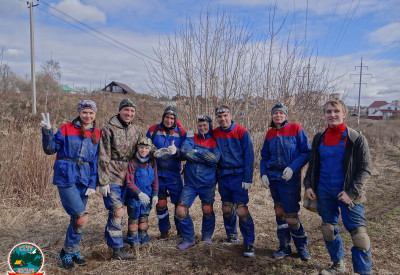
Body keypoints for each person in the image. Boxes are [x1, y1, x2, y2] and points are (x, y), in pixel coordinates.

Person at [304, 99, 372, 275]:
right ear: (324, 114)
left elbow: (365, 169)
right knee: (328, 229)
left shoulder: (356, 138)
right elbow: (313, 164)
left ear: (344, 114)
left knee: (360, 236)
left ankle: (364, 271)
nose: (332, 115)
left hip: (349, 193)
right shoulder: (319, 138)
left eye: (336, 111)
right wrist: (309, 185)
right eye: (328, 111)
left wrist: (351, 193)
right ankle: (337, 265)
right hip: (324, 190)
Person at [40, 100, 100, 270]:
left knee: (77, 219)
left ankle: (71, 251)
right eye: (85, 112)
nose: (88, 116)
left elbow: (95, 160)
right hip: (66, 176)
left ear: (95, 115)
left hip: (84, 178)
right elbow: (50, 149)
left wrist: (92, 182)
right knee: (81, 217)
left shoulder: (96, 133)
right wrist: (47, 131)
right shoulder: (66, 128)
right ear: (79, 113)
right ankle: (67, 252)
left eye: (91, 113)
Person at [260, 102, 312, 261]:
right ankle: (284, 246)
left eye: (281, 113)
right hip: (273, 179)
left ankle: (302, 246)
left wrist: (293, 168)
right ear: (272, 116)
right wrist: (263, 174)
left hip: (289, 179)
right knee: (279, 213)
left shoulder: (296, 128)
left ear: (286, 115)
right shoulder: (269, 133)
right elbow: (265, 157)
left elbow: (306, 152)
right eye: (275, 113)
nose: (278, 116)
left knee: (290, 216)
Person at [97, 99, 143, 260]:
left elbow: (143, 150)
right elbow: (103, 155)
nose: (129, 113)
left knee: (121, 210)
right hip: (111, 175)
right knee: (118, 211)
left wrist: (157, 152)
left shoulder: (136, 131)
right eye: (126, 110)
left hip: (129, 176)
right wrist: (102, 181)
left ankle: (110, 236)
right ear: (119, 111)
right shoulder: (108, 129)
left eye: (132, 111)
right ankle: (117, 250)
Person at [213, 105, 255, 258]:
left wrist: (247, 178)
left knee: (241, 210)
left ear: (230, 115)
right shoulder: (215, 133)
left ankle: (249, 242)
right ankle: (231, 235)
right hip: (223, 176)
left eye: (225, 115)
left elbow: (249, 156)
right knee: (227, 208)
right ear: (217, 118)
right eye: (220, 117)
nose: (223, 119)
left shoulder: (242, 132)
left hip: (239, 175)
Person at [175, 115, 221, 250]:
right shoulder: (191, 137)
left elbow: (214, 159)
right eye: (200, 126)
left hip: (207, 183)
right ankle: (189, 238)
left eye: (205, 125)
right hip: (190, 184)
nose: (202, 128)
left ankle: (207, 236)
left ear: (209, 125)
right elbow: (184, 151)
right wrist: (204, 155)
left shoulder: (214, 140)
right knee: (180, 211)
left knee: (207, 209)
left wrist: (197, 151)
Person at [146, 106, 186, 239]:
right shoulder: (153, 130)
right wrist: (153, 152)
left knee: (179, 203)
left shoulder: (181, 132)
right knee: (161, 203)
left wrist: (177, 151)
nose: (169, 120)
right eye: (167, 117)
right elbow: (145, 145)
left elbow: (186, 152)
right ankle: (164, 231)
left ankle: (181, 230)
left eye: (172, 118)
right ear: (163, 117)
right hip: (157, 173)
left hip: (174, 174)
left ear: (175, 119)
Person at [124, 137, 159, 247]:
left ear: (150, 149)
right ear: (137, 148)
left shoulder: (152, 162)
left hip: (147, 198)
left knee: (144, 219)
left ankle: (143, 236)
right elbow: (129, 181)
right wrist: (139, 193)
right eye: (141, 148)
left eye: (146, 148)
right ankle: (133, 239)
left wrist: (155, 195)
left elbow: (155, 180)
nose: (143, 150)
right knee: (134, 219)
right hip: (134, 198)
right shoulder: (132, 162)